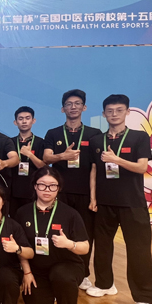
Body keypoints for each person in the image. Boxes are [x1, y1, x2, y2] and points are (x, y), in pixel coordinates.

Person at [87, 94, 152, 304]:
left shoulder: (139, 137)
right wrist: (93, 198)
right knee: (102, 246)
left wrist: (117, 160)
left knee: (138, 250)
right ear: (104, 114)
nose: (114, 114)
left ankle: (144, 297)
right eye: (109, 111)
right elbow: (94, 170)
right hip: (104, 203)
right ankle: (104, 284)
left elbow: (142, 167)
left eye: (119, 110)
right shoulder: (97, 141)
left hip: (132, 203)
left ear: (127, 112)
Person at [15, 167, 90, 304]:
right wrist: (27, 272)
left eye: (52, 186)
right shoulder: (23, 213)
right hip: (36, 270)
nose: (47, 190)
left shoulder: (70, 214)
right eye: (42, 185)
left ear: (59, 188)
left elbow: (85, 247)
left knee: (61, 275)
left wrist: (69, 244)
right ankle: (53, 292)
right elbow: (20, 248)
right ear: (35, 186)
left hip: (66, 265)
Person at [43, 90, 101, 291]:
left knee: (85, 234)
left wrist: (93, 197)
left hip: (85, 193)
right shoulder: (53, 133)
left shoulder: (94, 134)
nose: (73, 107)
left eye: (77, 103)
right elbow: (46, 158)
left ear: (84, 107)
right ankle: (58, 269)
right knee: (58, 231)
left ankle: (83, 273)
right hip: (60, 193)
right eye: (69, 104)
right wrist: (63, 156)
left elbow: (95, 167)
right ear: (63, 109)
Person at [10, 106, 46, 219]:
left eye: (27, 118)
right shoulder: (9, 142)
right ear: (15, 122)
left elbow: (43, 167)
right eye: (20, 119)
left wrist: (30, 155)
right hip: (13, 191)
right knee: (15, 221)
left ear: (33, 121)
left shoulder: (41, 142)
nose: (24, 121)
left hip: (33, 190)